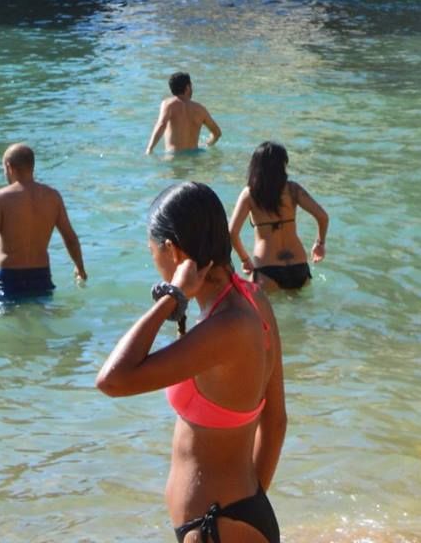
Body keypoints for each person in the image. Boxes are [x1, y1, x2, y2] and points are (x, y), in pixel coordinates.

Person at [96, 181, 285, 542]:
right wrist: (249, 507)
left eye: (152, 250)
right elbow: (276, 422)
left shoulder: (226, 328)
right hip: (234, 517)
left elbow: (112, 380)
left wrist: (171, 298)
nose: (153, 260)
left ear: (173, 250)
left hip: (219, 525)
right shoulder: (252, 299)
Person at [0, 142, 86, 300]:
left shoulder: (0, 199)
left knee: (9, 321)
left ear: (9, 167)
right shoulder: (53, 196)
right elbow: (70, 238)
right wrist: (80, 268)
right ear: (32, 166)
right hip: (42, 276)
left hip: (10, 279)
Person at [228, 143, 327, 292]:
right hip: (299, 266)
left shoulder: (250, 194)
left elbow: (232, 233)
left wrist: (245, 260)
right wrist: (320, 243)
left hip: (267, 268)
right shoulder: (293, 190)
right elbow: (322, 216)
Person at [146, 71, 222, 156]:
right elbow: (217, 133)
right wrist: (207, 144)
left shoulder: (168, 105)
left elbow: (161, 124)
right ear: (187, 87)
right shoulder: (200, 109)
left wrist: (149, 149)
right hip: (194, 156)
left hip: (173, 156)